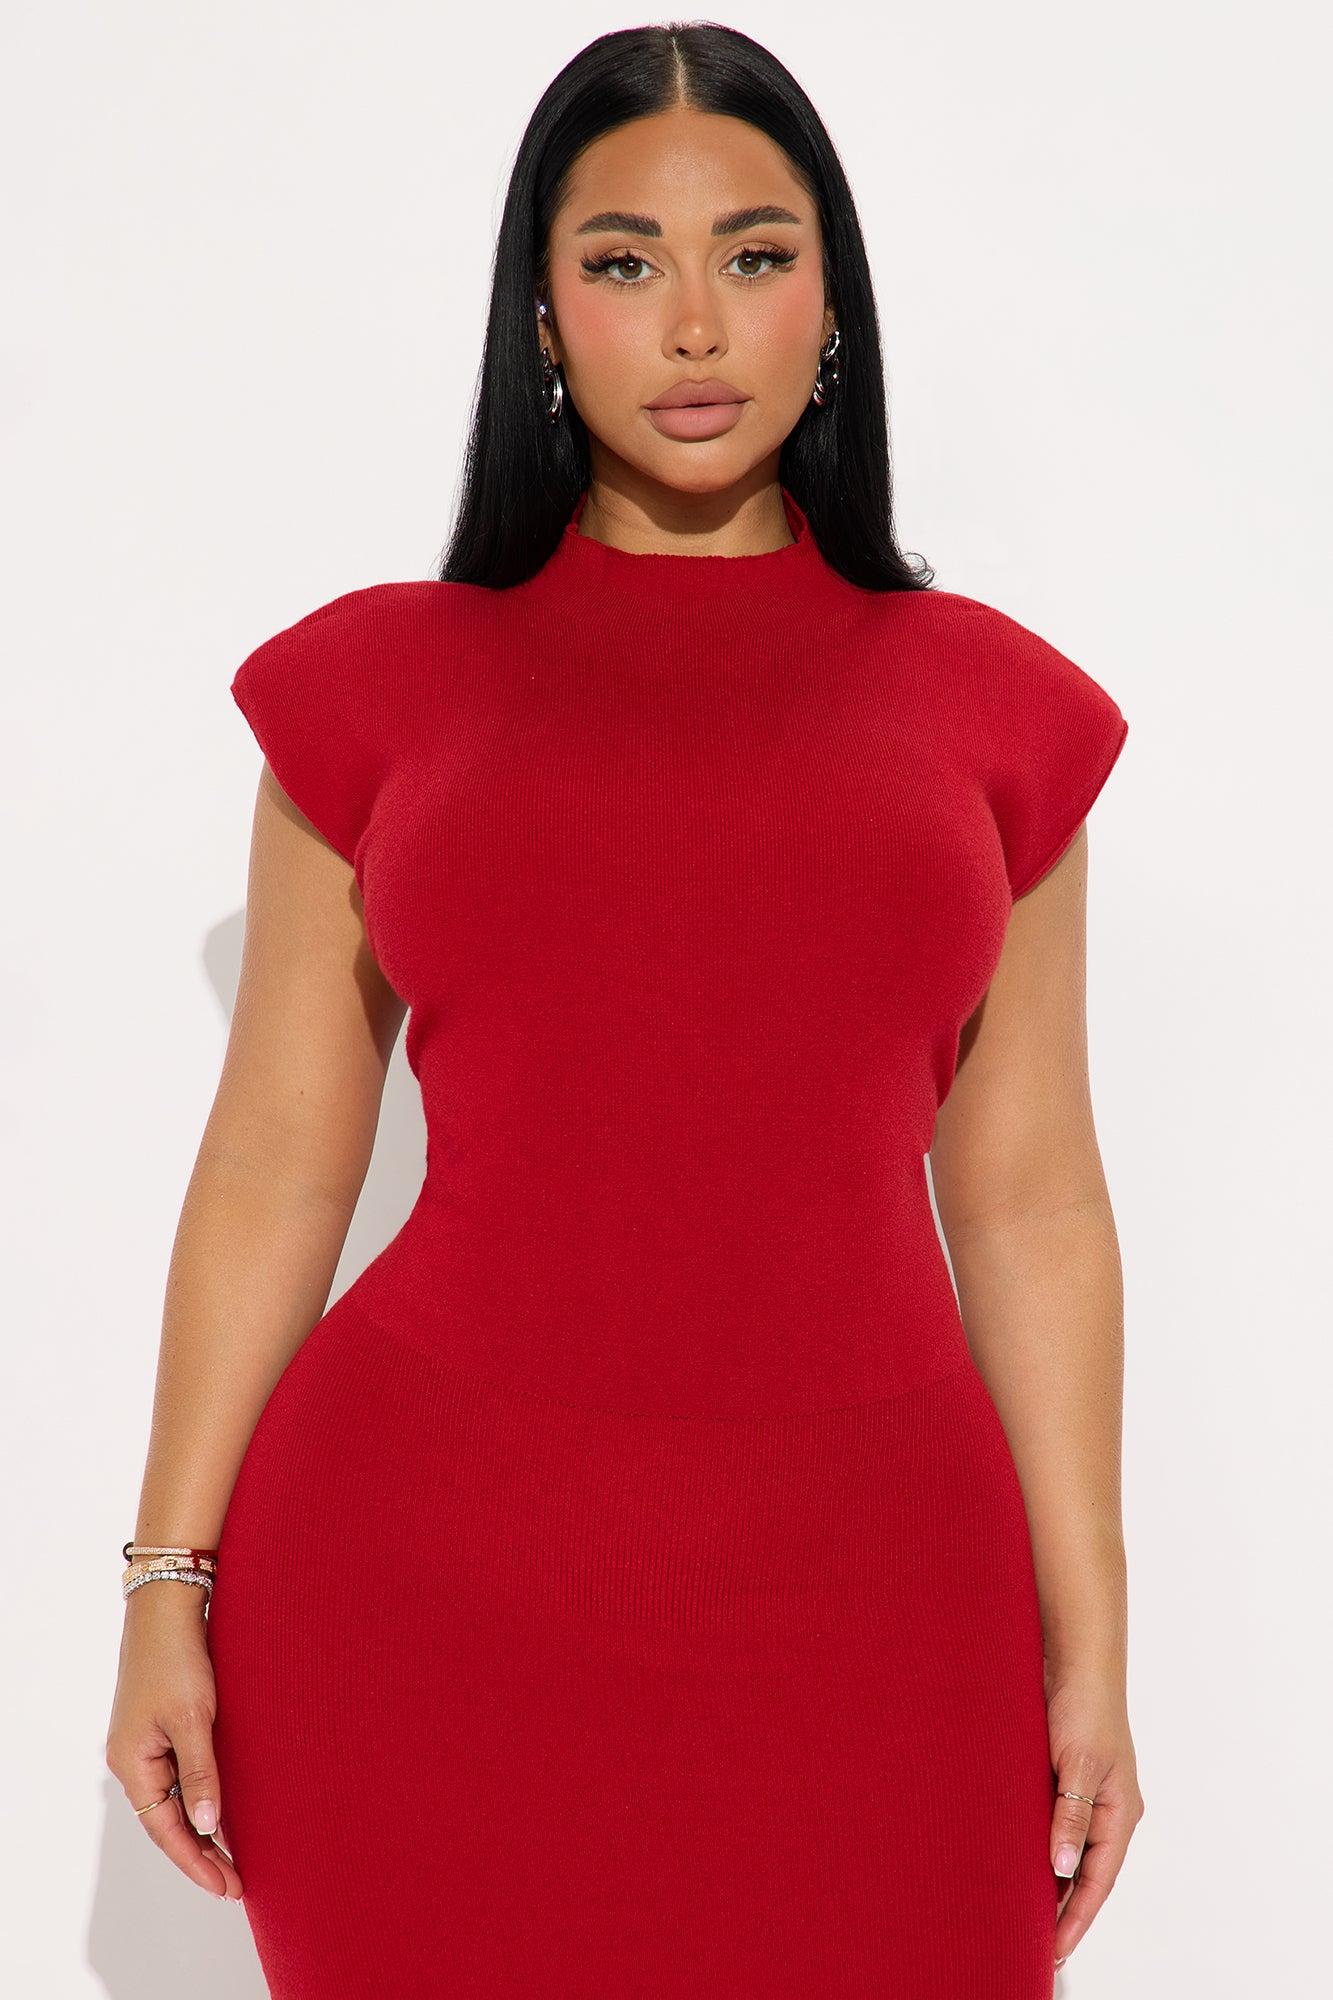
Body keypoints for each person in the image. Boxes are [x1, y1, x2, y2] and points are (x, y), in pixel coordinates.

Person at [105, 21, 1143, 1996]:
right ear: (539, 311)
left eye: (752, 255)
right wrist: (167, 1582)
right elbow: (274, 1166)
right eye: (620, 260)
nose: (689, 323)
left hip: (881, 1607)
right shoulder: (376, 690)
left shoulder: (996, 715)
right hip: (416, 1593)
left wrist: (1090, 1643)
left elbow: (1030, 1206)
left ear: (830, 303)